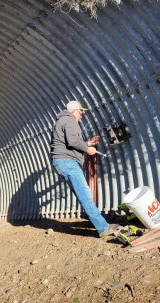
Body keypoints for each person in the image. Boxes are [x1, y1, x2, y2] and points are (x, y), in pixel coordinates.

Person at [50, 100, 120, 238]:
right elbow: (72, 142)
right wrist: (88, 149)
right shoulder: (69, 120)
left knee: (82, 194)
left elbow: (69, 142)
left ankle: (99, 222)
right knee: (85, 194)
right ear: (73, 111)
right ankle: (103, 227)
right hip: (67, 161)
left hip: (62, 162)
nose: (82, 114)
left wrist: (87, 143)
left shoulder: (62, 121)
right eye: (80, 111)